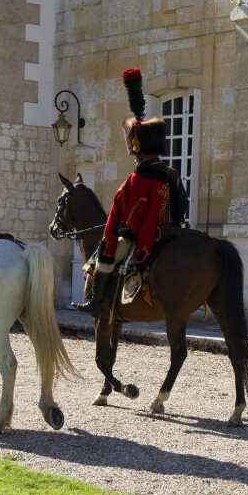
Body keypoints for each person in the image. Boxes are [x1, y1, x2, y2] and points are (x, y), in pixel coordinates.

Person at [73, 68, 188, 316]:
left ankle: (96, 303)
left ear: (135, 149)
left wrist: (111, 239)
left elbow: (114, 222)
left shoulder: (133, 181)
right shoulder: (173, 175)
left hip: (141, 240)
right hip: (171, 233)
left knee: (102, 254)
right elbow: (183, 204)